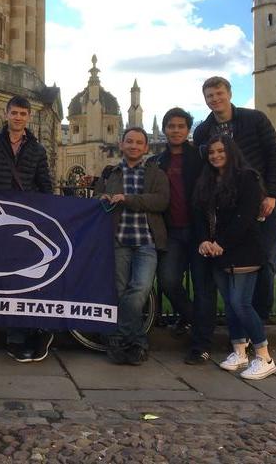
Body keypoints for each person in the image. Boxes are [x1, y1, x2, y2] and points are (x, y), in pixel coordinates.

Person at [193, 76, 276, 322]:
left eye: (219, 93)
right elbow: (204, 169)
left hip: (262, 204)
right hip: (228, 209)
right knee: (231, 263)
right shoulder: (204, 130)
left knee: (265, 262)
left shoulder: (254, 119)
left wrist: (273, 195)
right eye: (210, 96)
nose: (215, 99)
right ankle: (238, 324)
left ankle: (259, 320)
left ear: (229, 94)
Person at [194, 134, 276, 380]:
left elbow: (245, 216)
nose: (216, 156)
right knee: (230, 303)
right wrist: (204, 241)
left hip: (243, 250)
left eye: (220, 151)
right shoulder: (207, 180)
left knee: (241, 303)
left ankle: (264, 357)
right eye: (211, 152)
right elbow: (199, 212)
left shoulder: (246, 177)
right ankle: (239, 352)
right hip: (217, 251)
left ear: (230, 151)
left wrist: (222, 243)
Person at [0, 95, 54, 363]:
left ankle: (28, 333)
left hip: (26, 220)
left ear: (28, 117)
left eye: (23, 114)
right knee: (9, 279)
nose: (19, 117)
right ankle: (17, 335)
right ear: (7, 113)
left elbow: (45, 184)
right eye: (15, 113)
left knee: (27, 278)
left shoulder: (37, 150)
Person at [93, 127, 169, 366]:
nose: (134, 146)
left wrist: (128, 199)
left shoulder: (156, 174)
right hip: (119, 241)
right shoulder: (110, 173)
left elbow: (161, 201)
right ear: (121, 144)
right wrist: (103, 199)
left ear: (146, 147)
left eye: (139, 142)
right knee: (120, 290)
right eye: (130, 141)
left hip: (146, 240)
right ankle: (136, 342)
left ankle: (119, 338)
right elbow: (97, 199)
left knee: (140, 290)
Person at [152, 108, 208, 364]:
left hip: (199, 232)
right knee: (168, 281)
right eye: (171, 126)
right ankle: (191, 319)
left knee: (203, 288)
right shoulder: (157, 163)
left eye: (181, 126)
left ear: (188, 130)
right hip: (172, 232)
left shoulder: (200, 157)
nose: (176, 130)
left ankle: (200, 345)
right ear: (164, 129)